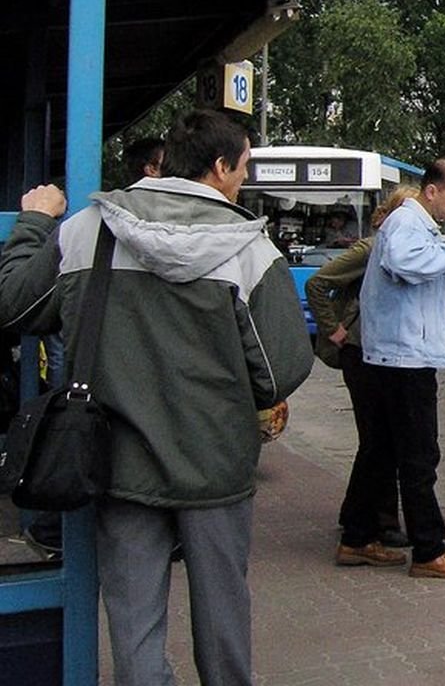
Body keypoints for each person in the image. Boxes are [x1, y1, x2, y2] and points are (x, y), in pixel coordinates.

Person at [0, 109, 313, 685]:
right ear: (221, 168)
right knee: (223, 615)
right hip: (215, 467)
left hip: (118, 462)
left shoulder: (85, 229)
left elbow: (15, 305)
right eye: (244, 166)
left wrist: (32, 222)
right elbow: (281, 369)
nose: (244, 178)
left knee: (133, 622)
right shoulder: (248, 247)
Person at [357, 158, 445, 579]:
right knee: (418, 456)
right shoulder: (408, 226)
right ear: (431, 191)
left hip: (395, 354)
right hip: (405, 357)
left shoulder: (410, 224)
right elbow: (406, 263)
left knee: (382, 452)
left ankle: (357, 535)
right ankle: (429, 549)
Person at [306, 187, 417, 566]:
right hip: (361, 351)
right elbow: (317, 283)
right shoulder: (371, 248)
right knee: (377, 440)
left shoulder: (397, 248)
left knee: (380, 439)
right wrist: (334, 329)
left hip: (378, 350)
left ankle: (363, 517)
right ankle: (371, 524)